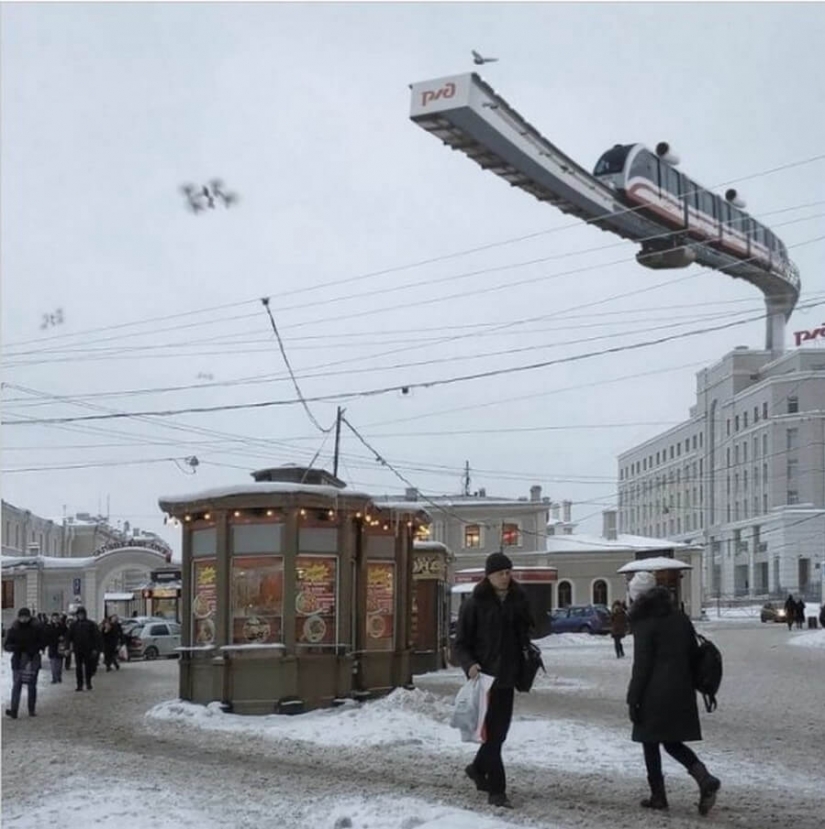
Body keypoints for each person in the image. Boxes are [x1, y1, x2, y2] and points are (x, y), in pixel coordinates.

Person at [625, 571, 720, 816]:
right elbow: (692, 653)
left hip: (653, 694)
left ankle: (658, 796)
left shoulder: (644, 622)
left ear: (637, 596)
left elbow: (642, 665)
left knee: (649, 742)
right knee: (671, 741)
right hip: (682, 688)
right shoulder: (679, 617)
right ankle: (704, 778)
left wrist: (633, 698)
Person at [454, 552, 533, 809]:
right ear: (489, 576)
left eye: (508, 572)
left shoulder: (518, 600)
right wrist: (469, 665)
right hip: (484, 678)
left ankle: (477, 768)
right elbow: (461, 643)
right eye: (500, 573)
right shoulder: (474, 604)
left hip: (508, 677)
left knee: (500, 733)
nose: (506, 577)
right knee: (494, 736)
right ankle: (497, 791)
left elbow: (526, 633)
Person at [4, 607, 46, 719]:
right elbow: (6, 645)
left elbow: (43, 642)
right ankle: (14, 710)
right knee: (16, 686)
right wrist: (15, 647)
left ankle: (31, 709)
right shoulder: (14, 629)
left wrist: (34, 649)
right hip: (18, 660)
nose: (23, 619)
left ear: (29, 617)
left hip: (32, 659)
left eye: (25, 617)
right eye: (21, 617)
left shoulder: (36, 628)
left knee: (32, 686)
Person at [66, 606, 102, 691]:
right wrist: (67, 647)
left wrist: (96, 648)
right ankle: (79, 685)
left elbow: (96, 637)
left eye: (82, 614)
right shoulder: (74, 625)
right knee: (78, 668)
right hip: (78, 649)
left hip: (88, 649)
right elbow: (69, 637)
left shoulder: (91, 624)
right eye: (79, 614)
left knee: (88, 667)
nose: (81, 616)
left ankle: (88, 683)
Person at [45, 612, 68, 684]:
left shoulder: (62, 627)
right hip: (52, 647)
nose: (55, 620)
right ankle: (54, 678)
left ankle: (58, 676)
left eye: (56, 618)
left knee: (59, 664)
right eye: (54, 618)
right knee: (53, 664)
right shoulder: (49, 627)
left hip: (60, 647)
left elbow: (67, 634)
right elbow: (46, 636)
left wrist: (63, 638)